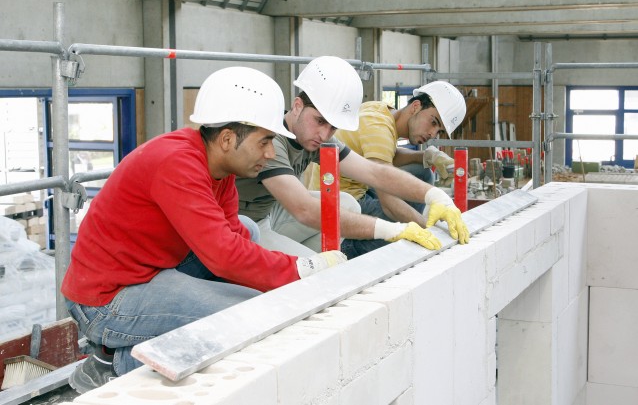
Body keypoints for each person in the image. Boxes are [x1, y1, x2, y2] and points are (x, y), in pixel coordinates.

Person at [61, 67, 348, 394]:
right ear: (227, 139)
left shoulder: (219, 171)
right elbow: (224, 257)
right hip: (106, 298)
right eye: (265, 141)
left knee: (249, 232)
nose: (271, 153)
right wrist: (302, 269)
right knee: (245, 314)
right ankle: (113, 364)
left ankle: (142, 339)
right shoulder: (177, 163)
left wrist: (287, 281)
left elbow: (234, 241)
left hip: (150, 266)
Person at [236, 56, 469, 259]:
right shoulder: (271, 139)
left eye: (333, 127)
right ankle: (309, 264)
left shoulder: (318, 137)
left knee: (346, 204)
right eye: (319, 121)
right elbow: (304, 209)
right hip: (244, 224)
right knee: (317, 274)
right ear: (297, 106)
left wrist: (434, 196)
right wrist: (391, 230)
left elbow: (374, 172)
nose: (325, 134)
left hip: (270, 212)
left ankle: (317, 258)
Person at [310, 81, 466, 258]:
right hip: (343, 200)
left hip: (358, 188)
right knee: (399, 214)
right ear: (416, 106)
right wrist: (428, 230)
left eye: (439, 131)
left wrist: (426, 157)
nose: (432, 133)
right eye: (433, 122)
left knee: (421, 171)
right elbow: (389, 203)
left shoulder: (381, 110)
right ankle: (351, 249)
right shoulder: (378, 126)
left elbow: (385, 156)